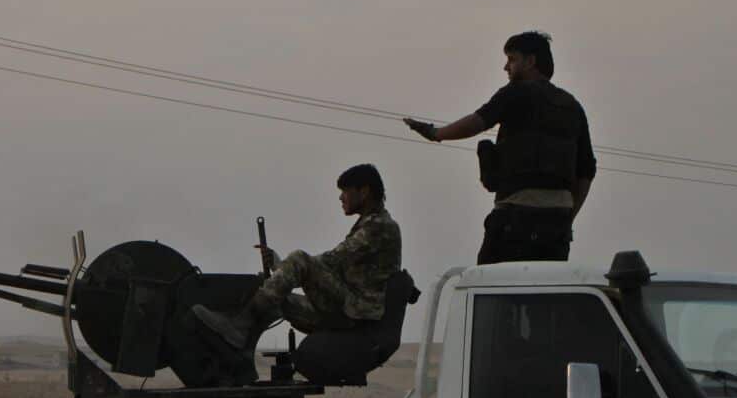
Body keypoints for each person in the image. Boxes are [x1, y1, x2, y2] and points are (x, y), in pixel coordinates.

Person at [404, 31, 596, 265]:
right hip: (558, 223)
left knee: (490, 287)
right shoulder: (573, 106)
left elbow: (478, 121)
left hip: (516, 217)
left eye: (512, 59)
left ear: (530, 61)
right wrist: (568, 218)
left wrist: (436, 133)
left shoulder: (516, 92)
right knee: (544, 292)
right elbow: (586, 172)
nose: (506, 67)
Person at [192, 164, 401, 350]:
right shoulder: (370, 224)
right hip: (350, 310)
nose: (341, 197)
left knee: (299, 259)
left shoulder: (379, 226)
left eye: (345, 191)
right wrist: (281, 270)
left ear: (364, 192)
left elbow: (331, 261)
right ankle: (235, 342)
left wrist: (286, 267)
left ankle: (239, 325)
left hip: (357, 313)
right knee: (277, 295)